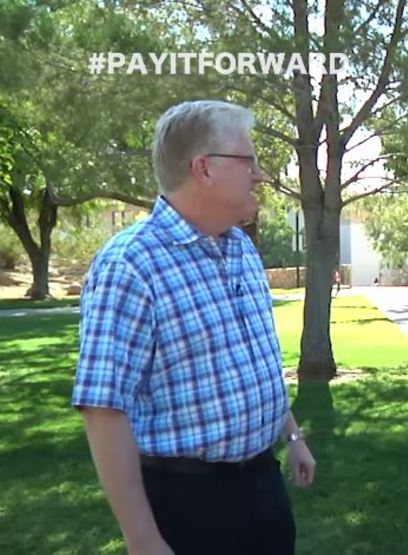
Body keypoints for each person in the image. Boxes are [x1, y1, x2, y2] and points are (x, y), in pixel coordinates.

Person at [72, 100, 316, 555]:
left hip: (263, 488)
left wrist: (294, 435)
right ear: (203, 168)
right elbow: (103, 410)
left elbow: (255, 361)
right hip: (187, 505)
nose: (260, 174)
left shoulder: (240, 246)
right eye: (248, 161)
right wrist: (143, 539)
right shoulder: (130, 264)